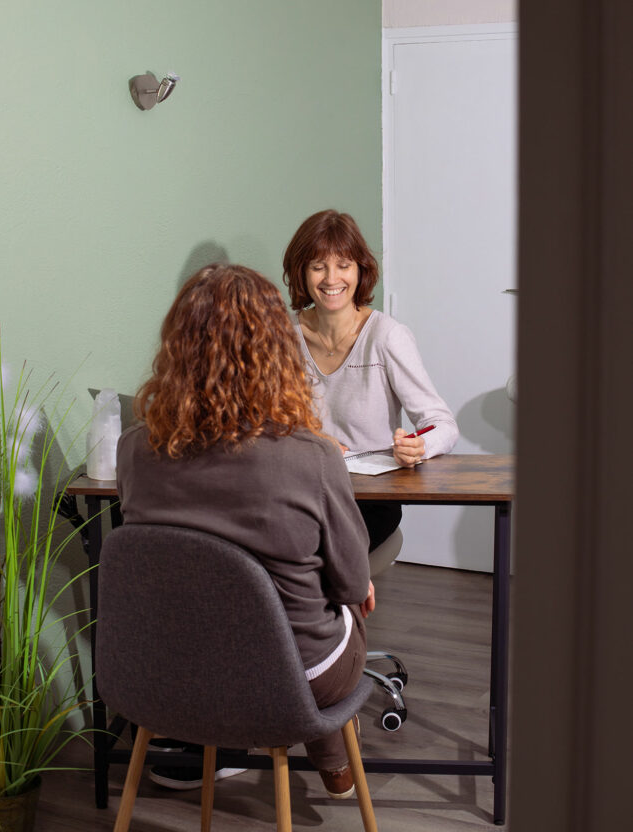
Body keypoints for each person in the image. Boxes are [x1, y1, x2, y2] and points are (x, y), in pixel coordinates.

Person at [116, 264, 374, 799]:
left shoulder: (134, 448)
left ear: (177, 348)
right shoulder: (313, 457)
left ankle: (305, 752)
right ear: (276, 350)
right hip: (291, 681)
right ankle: (331, 758)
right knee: (351, 598)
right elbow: (350, 587)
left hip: (168, 670)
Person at [283, 209, 459, 552]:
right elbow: (265, 422)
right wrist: (310, 442)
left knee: (311, 553)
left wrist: (419, 446)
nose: (331, 278)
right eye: (318, 266)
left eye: (343, 265)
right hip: (304, 491)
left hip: (368, 499)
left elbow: (443, 425)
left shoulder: (388, 336)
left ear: (360, 270)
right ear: (301, 273)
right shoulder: (282, 337)